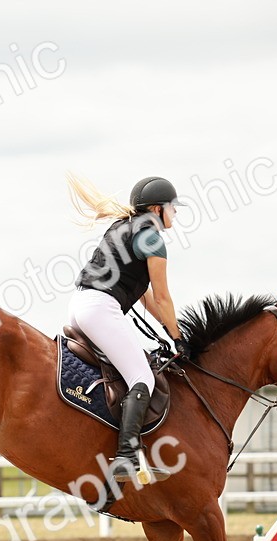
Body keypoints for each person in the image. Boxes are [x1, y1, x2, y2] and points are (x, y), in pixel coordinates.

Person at [66, 175, 190, 483]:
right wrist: (177, 338)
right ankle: (126, 457)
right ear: (156, 209)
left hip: (81, 305)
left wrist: (165, 325)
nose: (175, 213)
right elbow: (163, 296)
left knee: (128, 370)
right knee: (142, 377)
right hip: (101, 309)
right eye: (171, 208)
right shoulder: (153, 238)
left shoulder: (122, 228)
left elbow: (145, 296)